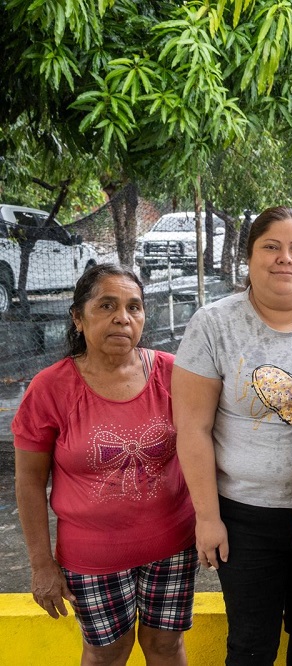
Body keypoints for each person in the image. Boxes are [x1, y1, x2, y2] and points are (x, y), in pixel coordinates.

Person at [172, 206, 292, 665]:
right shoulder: (214, 324)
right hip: (245, 516)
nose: (285, 258)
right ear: (249, 257)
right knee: (251, 642)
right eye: (271, 247)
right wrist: (207, 517)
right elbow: (193, 429)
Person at [13, 263, 196, 665]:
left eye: (134, 307)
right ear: (78, 318)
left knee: (166, 646)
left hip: (174, 545)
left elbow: (204, 444)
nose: (122, 318)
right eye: (107, 305)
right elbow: (28, 481)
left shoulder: (172, 372)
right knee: (107, 652)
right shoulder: (51, 388)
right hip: (92, 555)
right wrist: (42, 564)